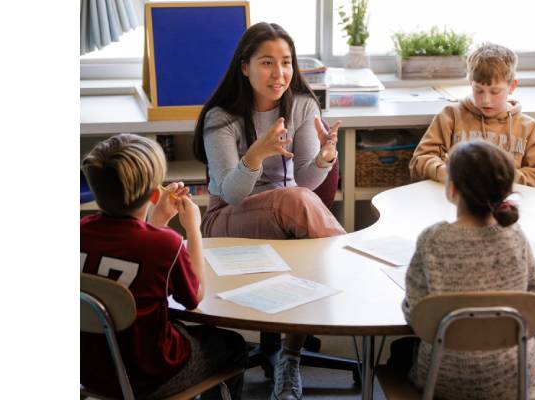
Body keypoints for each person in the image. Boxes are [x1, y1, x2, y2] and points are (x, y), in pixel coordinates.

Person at [192, 22, 345, 400]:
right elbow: (232, 193)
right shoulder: (220, 117)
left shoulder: (303, 105)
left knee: (296, 205)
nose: (279, 73)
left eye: (286, 62)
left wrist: (324, 160)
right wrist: (256, 154)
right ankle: (351, 269)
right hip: (226, 218)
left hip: (287, 211)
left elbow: (306, 183)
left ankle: (289, 360)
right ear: (244, 67)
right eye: (266, 63)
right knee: (294, 202)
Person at [80, 133, 248, 400]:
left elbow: (132, 259)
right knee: (234, 346)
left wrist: (157, 222)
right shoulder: (164, 245)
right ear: (156, 194)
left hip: (89, 370)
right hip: (149, 375)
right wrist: (193, 227)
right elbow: (195, 297)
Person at [393, 140, 535, 399]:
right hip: (512, 373)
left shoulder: (432, 239)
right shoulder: (515, 236)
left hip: (443, 376)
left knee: (397, 356)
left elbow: (416, 311)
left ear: (452, 189)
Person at [409, 43, 535, 188]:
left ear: (512, 86)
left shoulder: (529, 128)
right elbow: (419, 161)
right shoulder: (450, 116)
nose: (486, 100)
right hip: (455, 203)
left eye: (495, 92)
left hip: (506, 205)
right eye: (478, 90)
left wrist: (499, 177)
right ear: (470, 83)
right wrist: (441, 171)